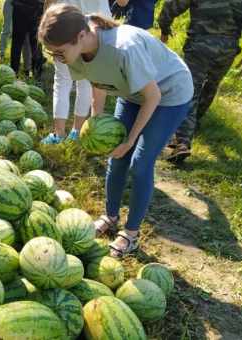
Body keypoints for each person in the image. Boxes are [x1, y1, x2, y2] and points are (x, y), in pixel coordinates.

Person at [38, 4, 194, 257]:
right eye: (51, 52)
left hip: (168, 93)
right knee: (116, 156)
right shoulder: (74, 49)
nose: (56, 58)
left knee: (140, 162)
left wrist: (130, 139)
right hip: (130, 90)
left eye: (59, 52)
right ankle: (110, 216)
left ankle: (131, 234)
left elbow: (152, 96)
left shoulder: (123, 48)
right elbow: (97, 78)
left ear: (80, 37)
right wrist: (97, 120)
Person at [158, 0, 242, 163]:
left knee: (190, 90)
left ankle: (182, 141)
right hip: (227, 50)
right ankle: (193, 124)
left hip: (198, 45)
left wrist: (165, 26)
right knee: (211, 86)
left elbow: (173, 5)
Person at [41, 0, 113, 144]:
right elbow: (123, 3)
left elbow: (50, 1)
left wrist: (47, 21)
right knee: (86, 82)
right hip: (96, 29)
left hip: (62, 25)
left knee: (62, 81)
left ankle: (58, 134)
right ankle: (77, 132)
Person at [11, 0, 45, 78]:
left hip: (21, 6)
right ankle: (36, 74)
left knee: (18, 43)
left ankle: (14, 72)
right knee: (35, 43)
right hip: (35, 6)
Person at [0, 0, 33, 74]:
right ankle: (1, 54)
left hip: (26, 6)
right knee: (7, 29)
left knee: (26, 38)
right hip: (10, 3)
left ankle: (27, 67)